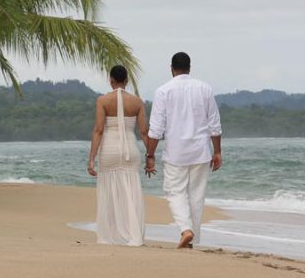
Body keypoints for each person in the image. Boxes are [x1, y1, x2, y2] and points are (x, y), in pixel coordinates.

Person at [145, 52, 223, 249]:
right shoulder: (205, 89)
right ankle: (192, 240)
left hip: (176, 153)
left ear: (171, 68)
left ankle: (186, 230)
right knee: (196, 196)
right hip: (200, 152)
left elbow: (156, 130)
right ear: (190, 67)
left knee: (174, 192)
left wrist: (150, 155)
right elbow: (214, 125)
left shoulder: (163, 91)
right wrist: (217, 152)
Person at [88, 65, 150, 246]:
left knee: (109, 190)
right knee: (131, 191)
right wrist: (151, 155)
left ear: (111, 80)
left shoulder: (103, 101)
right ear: (127, 80)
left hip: (109, 150)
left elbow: (99, 130)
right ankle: (133, 233)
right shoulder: (137, 102)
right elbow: (144, 132)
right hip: (131, 149)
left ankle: (110, 235)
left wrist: (91, 158)